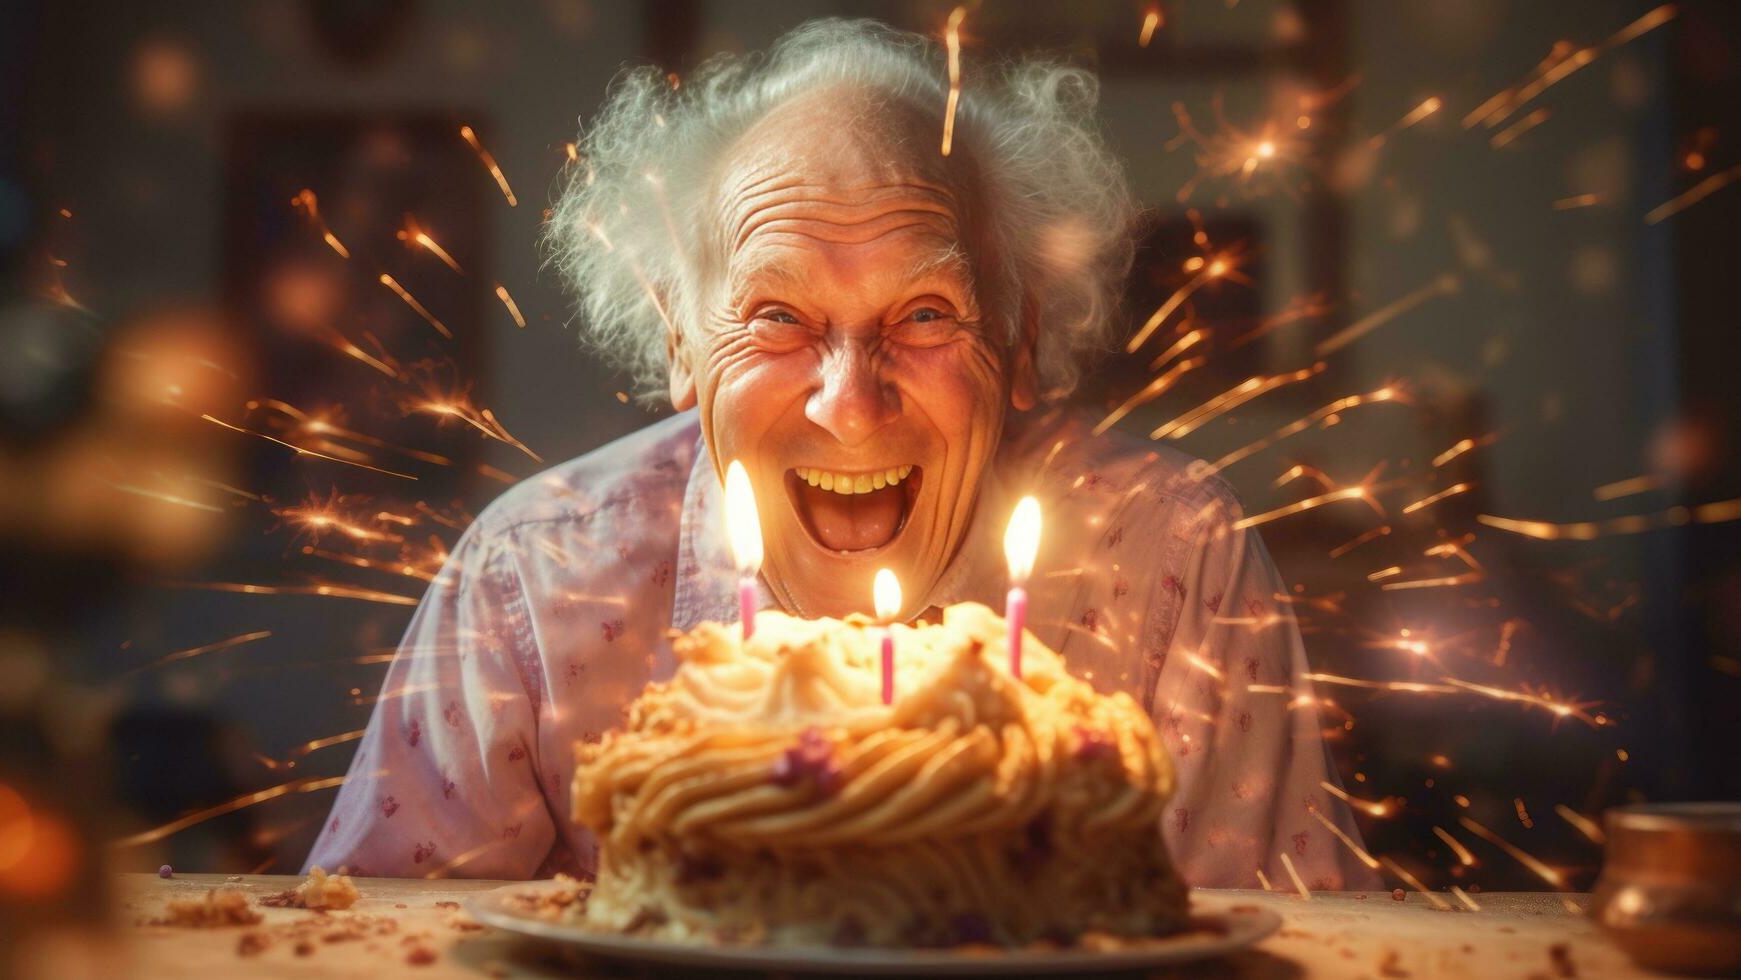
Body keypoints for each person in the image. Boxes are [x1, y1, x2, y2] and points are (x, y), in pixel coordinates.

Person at [306, 19, 1379, 891]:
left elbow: (1281, 951)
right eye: (776, 316)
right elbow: (377, 945)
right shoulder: (531, 581)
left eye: (925, 313)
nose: (852, 406)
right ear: (680, 336)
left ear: (1022, 334)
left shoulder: (1172, 559)